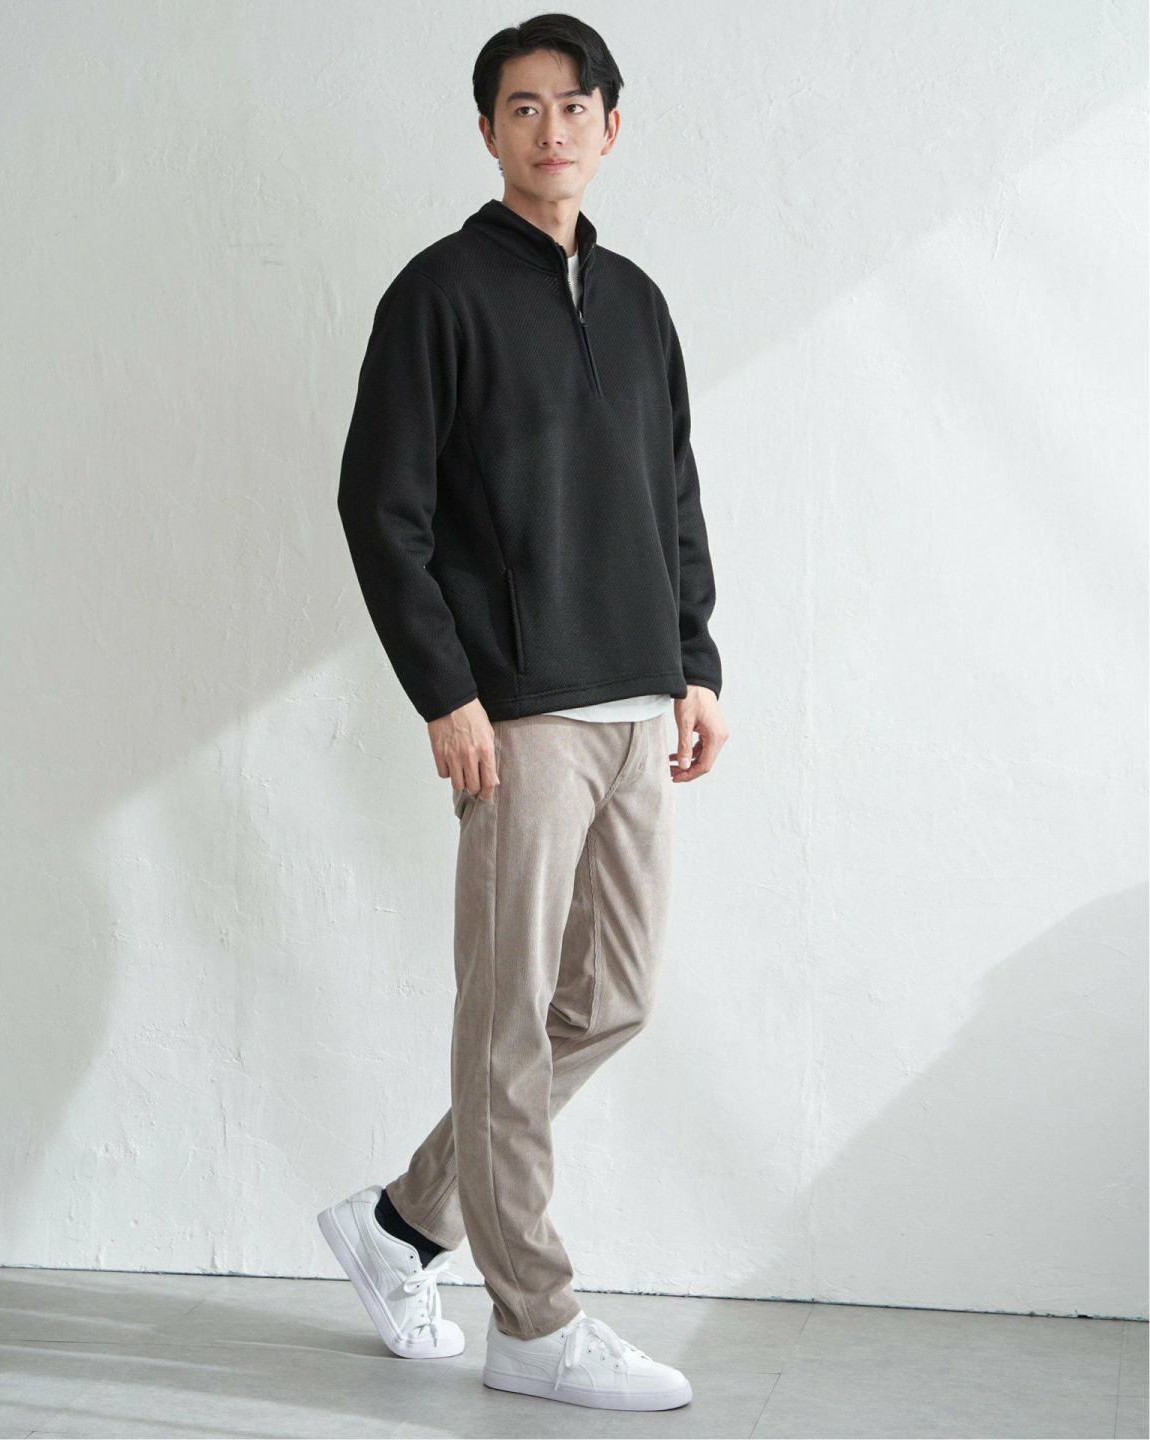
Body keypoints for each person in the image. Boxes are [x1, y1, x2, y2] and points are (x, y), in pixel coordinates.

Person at [322, 13, 728, 1413]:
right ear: (488, 129)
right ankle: (535, 1323)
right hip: (518, 715)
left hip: (636, 704)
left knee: (612, 998)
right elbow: (380, 508)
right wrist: (446, 690)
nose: (550, 128)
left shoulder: (640, 303)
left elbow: (674, 492)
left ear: (612, 125)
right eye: (521, 106)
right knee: (504, 1019)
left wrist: (696, 660)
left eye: (572, 104)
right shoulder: (437, 295)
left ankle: (402, 1225)